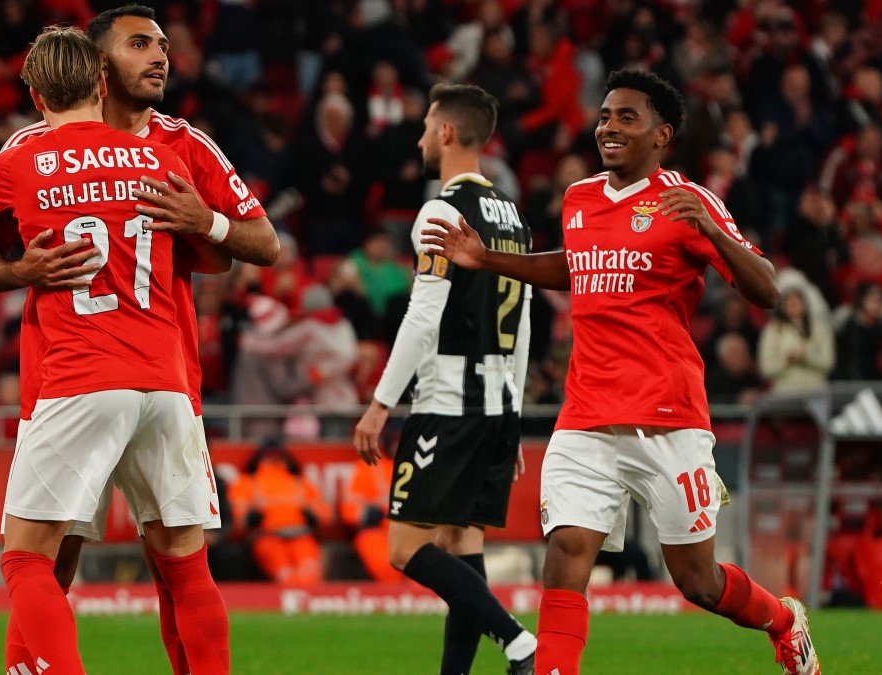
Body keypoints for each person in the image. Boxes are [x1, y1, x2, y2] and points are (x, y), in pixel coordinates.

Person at [422, 69, 819, 675]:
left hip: (668, 416)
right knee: (566, 553)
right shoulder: (579, 198)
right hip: (586, 413)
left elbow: (765, 289)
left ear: (662, 135)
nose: (608, 127)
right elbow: (574, 266)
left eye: (626, 117)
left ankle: (784, 623)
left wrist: (712, 230)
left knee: (698, 580)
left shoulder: (686, 200)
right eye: (605, 115)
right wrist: (487, 258)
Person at [0, 8, 279, 675]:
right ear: (99, 65)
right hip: (100, 376)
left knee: (118, 564)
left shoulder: (183, 143)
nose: (161, 56)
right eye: (141, 44)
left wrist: (207, 221)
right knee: (62, 562)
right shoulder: (46, 147)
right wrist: (22, 270)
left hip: (117, 376)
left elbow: (262, 242)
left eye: (163, 45)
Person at [353, 83, 537, 675]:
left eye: (427, 127)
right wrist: (512, 412)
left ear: (448, 133)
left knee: (405, 547)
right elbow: (523, 321)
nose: (421, 139)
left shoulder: (441, 212)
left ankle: (518, 641)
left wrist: (381, 403)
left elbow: (423, 314)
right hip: (497, 401)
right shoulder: (514, 218)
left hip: (450, 401)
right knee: (462, 545)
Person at [227, 441, 331, 585]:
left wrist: (312, 516)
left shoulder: (300, 482)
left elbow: (324, 515)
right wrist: (252, 519)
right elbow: (237, 522)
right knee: (286, 575)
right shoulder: (246, 483)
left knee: (309, 573)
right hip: (267, 538)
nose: (273, 459)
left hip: (301, 537)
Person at [340, 455, 403, 582]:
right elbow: (349, 509)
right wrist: (367, 513)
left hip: (415, 531)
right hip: (379, 532)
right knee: (386, 567)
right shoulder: (371, 465)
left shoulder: (424, 461)